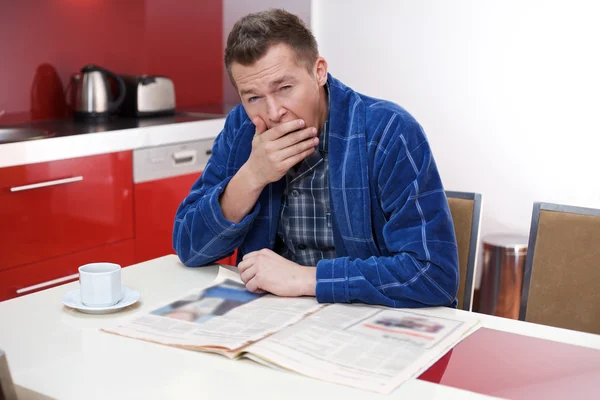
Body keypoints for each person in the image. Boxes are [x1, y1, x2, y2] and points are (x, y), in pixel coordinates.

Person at [173, 9, 459, 308]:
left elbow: (433, 275)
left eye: (284, 88)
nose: (273, 113)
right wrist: (251, 176)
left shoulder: (389, 131)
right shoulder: (242, 129)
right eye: (253, 97)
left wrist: (306, 279)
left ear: (318, 72)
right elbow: (190, 248)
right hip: (270, 318)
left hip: (365, 321)